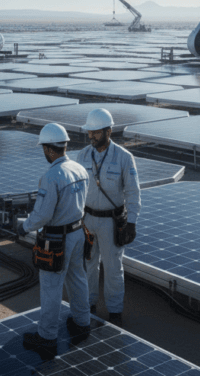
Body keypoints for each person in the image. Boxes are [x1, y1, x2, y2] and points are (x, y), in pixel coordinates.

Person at [17, 123, 91, 349]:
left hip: (57, 240)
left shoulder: (51, 176)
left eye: (44, 149)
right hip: (79, 232)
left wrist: (23, 227)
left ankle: (47, 337)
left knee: (51, 287)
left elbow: (42, 215)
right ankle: (82, 321)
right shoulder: (80, 169)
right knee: (78, 279)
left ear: (49, 149)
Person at [74, 108, 140, 325]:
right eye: (89, 132)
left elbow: (132, 191)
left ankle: (114, 311)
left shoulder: (124, 158)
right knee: (89, 265)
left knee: (113, 268)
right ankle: (89, 304)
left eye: (96, 132)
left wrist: (131, 223)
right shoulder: (82, 155)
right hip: (88, 221)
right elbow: (76, 190)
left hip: (112, 223)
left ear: (108, 131)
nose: (91, 136)